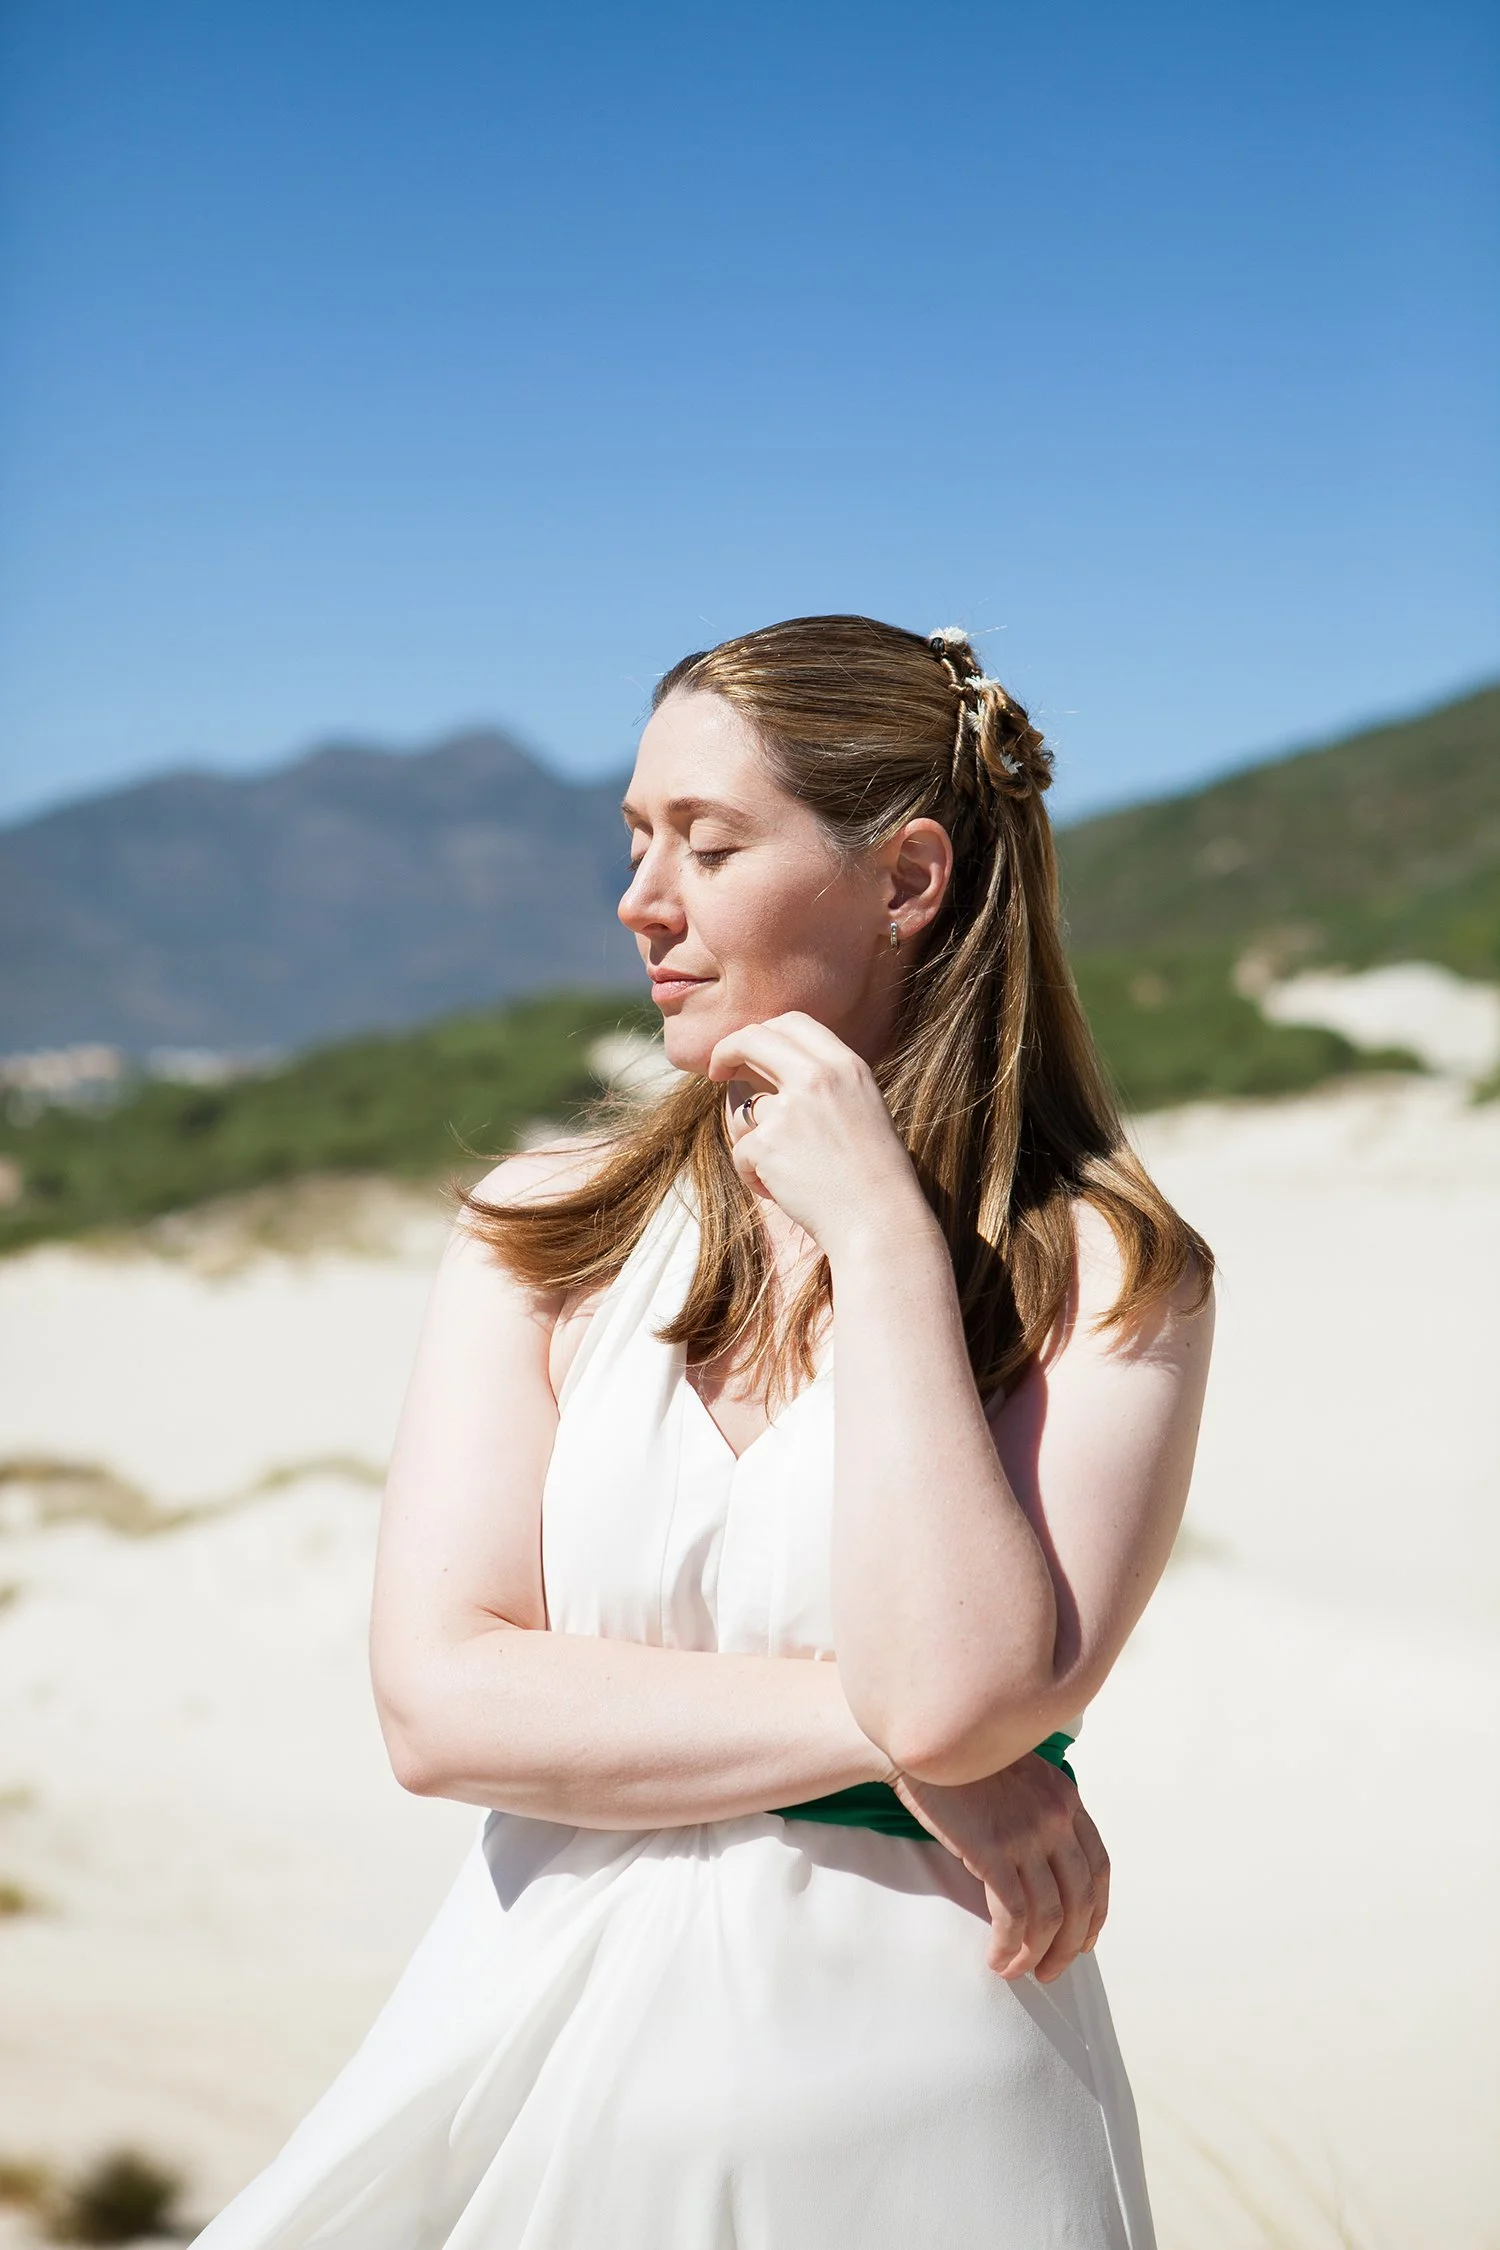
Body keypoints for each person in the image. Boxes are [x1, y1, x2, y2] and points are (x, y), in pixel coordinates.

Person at [194, 615, 1214, 2249]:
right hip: (526, 2077)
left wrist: (884, 1235)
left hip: (929, 2133)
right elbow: (437, 1703)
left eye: (708, 843)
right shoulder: (544, 1231)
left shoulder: (1102, 1274)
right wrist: (901, 1746)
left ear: (907, 880)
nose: (639, 900)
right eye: (636, 838)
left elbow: (962, 1681)